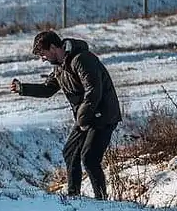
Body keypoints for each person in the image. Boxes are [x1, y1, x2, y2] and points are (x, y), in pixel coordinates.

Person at [10, 30, 122, 200]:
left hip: (103, 114)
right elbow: (48, 89)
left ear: (54, 47)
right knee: (70, 152)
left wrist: (83, 117)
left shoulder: (82, 59)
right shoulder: (60, 67)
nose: (43, 59)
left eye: (43, 54)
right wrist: (23, 88)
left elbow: (94, 91)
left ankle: (102, 200)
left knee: (90, 158)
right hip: (86, 115)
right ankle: (73, 196)